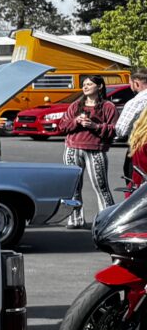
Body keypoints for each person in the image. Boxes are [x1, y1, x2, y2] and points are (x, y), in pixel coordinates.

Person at [60, 75, 119, 227]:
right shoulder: (75, 105)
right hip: (72, 149)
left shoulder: (108, 107)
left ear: (99, 87)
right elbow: (62, 126)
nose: (85, 87)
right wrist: (76, 121)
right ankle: (75, 220)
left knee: (101, 186)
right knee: (73, 187)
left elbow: (115, 129)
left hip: (95, 150)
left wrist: (95, 126)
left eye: (89, 84)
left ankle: (108, 220)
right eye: (84, 84)